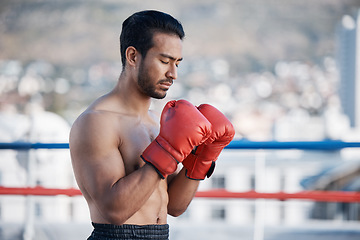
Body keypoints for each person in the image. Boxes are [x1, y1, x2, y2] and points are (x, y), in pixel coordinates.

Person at [69, 10, 235, 240]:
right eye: (164, 61)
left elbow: (174, 207)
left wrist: (202, 158)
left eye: (177, 63)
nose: (173, 73)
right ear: (133, 56)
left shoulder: (157, 121)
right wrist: (168, 151)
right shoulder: (96, 122)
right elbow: (114, 211)